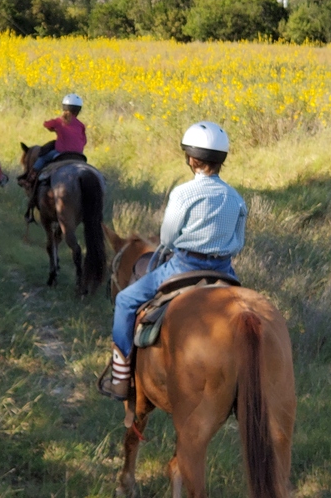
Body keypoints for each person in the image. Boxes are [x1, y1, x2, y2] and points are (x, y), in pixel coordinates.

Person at [97, 121, 248, 401]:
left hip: (184, 265)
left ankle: (120, 379)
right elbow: (239, 241)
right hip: (225, 269)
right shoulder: (236, 198)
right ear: (221, 160)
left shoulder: (183, 192)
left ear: (191, 159)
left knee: (126, 301)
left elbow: (167, 237)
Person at [20, 93, 87, 220]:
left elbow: (46, 124)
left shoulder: (60, 121)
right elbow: (84, 141)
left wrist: (54, 129)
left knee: (43, 158)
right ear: (79, 110)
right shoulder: (81, 124)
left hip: (61, 153)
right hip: (78, 155)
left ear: (64, 107)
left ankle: (31, 177)